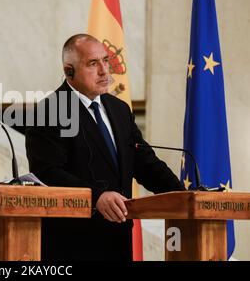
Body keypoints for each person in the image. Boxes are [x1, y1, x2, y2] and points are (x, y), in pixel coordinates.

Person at [25, 34, 185, 261]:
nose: (104, 71)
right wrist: (96, 197)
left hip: (118, 239)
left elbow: (145, 163)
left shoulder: (119, 109)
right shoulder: (49, 110)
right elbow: (47, 172)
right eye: (93, 63)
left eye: (106, 61)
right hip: (72, 243)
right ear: (69, 71)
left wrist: (184, 195)